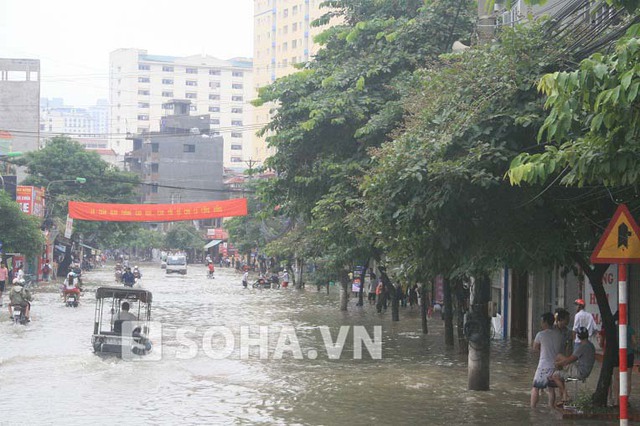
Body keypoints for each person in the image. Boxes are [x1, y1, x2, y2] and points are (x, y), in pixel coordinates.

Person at [551, 326, 596, 405]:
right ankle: (563, 396)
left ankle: (565, 395)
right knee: (559, 357)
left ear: (578, 336)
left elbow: (568, 361)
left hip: (580, 372)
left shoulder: (582, 347)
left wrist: (557, 364)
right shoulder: (591, 345)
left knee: (555, 375)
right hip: (584, 370)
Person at [531, 312, 563, 408]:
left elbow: (535, 348)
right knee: (551, 389)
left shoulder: (540, 334)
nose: (541, 323)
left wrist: (543, 351)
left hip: (543, 365)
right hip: (555, 365)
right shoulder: (558, 334)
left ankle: (532, 409)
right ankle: (551, 408)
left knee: (535, 387)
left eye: (541, 321)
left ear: (545, 322)